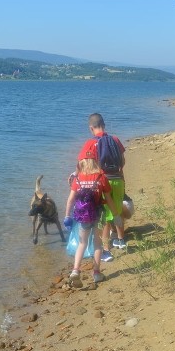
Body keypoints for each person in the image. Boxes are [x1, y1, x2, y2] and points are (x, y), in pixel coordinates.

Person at [78, 113, 126, 262]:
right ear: (104, 125)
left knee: (103, 217)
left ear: (91, 128)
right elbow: (123, 161)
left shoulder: (90, 143)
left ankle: (105, 250)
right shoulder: (115, 139)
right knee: (117, 210)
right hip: (118, 179)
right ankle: (120, 240)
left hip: (103, 181)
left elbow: (83, 166)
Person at [63, 156, 115, 286]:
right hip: (97, 214)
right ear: (95, 163)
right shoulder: (101, 177)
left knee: (82, 243)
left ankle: (75, 271)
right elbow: (108, 198)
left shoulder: (78, 178)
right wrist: (116, 214)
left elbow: (70, 199)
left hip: (83, 216)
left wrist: (67, 216)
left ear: (82, 164)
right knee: (97, 244)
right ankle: (97, 273)